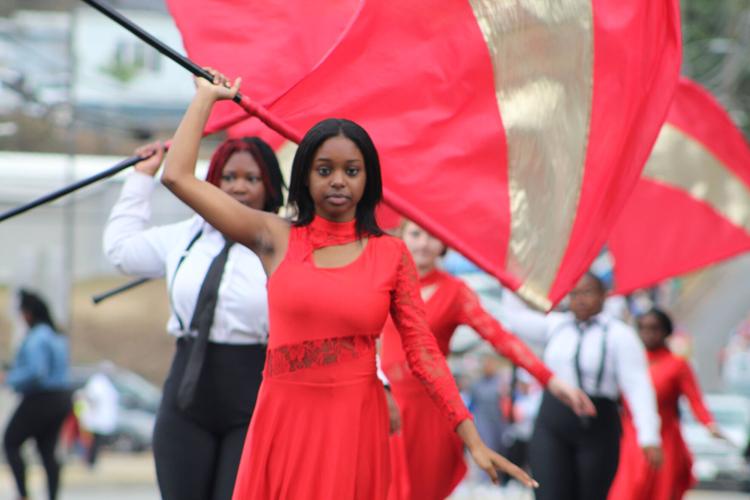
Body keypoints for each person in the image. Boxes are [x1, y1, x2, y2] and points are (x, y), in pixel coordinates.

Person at [160, 68, 539, 499]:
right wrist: (205, 100)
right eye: (325, 169)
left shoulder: (391, 254)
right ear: (305, 176)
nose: (338, 179)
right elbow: (177, 177)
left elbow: (424, 352)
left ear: (367, 178)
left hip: (354, 423)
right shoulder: (274, 237)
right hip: (282, 419)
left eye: (351, 170)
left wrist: (472, 438)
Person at [103, 135, 284, 500]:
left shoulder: (284, 243)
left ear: (269, 187)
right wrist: (141, 179)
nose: (238, 188)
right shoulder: (185, 237)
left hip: (253, 398)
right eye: (228, 177)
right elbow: (120, 252)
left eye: (252, 179)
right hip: (186, 398)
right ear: (211, 183)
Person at [380, 220, 594, 499]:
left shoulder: (455, 292)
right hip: (385, 405)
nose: (423, 243)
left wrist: (550, 380)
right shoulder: (382, 282)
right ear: (401, 236)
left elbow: (500, 337)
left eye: (432, 236)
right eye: (416, 234)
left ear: (444, 244)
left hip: (432, 411)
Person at [500, 272, 662, 500]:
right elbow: (514, 318)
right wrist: (511, 278)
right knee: (548, 492)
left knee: (590, 494)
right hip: (554, 419)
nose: (580, 300)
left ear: (604, 296)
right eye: (574, 294)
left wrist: (649, 436)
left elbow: (638, 386)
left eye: (588, 292)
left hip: (598, 423)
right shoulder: (556, 325)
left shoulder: (619, 335)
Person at [608, 308, 723, 500]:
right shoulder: (628, 361)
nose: (648, 334)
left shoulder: (677, 365)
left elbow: (695, 399)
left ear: (666, 332)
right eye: (643, 328)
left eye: (655, 329)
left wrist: (709, 423)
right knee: (626, 491)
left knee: (661, 491)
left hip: (665, 436)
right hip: (631, 436)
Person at [3, 290, 72, 500]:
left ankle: (23, 494)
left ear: (29, 314)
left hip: (42, 397)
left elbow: (36, 371)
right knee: (47, 449)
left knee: (10, 441)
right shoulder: (55, 335)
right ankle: (53, 495)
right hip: (61, 397)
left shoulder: (37, 338)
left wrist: (9, 379)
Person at [79, 362, 119, 467]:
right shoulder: (97, 382)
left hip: (100, 419)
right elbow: (91, 397)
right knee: (92, 443)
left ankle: (92, 461)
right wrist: (92, 412)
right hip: (95, 418)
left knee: (96, 443)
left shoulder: (105, 383)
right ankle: (89, 462)